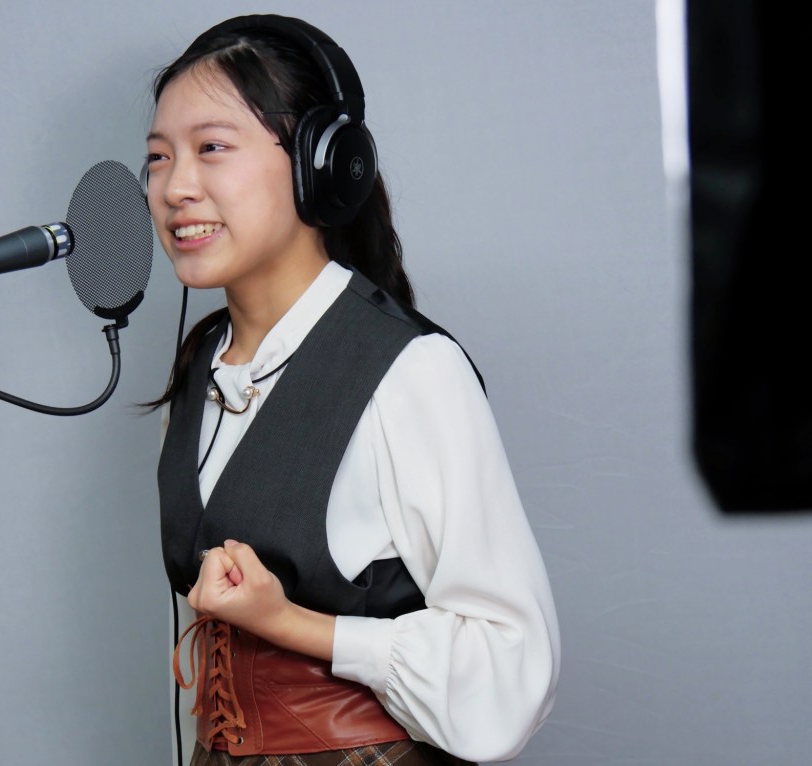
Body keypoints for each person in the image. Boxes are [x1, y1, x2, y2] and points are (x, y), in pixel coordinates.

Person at [144, 14, 559, 766]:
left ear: (322, 164)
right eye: (157, 157)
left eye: (212, 148)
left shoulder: (411, 371)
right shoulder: (202, 364)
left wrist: (295, 624)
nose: (175, 188)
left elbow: (510, 665)